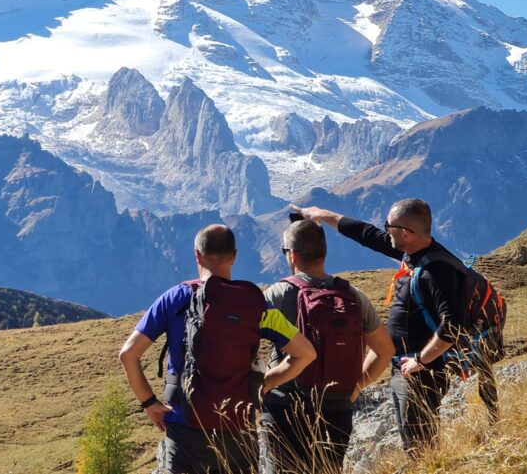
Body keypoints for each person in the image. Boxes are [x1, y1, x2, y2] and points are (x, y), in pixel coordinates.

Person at [119, 224, 317, 474]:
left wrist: (149, 403)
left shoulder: (176, 298)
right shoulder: (256, 305)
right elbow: (306, 353)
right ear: (234, 256)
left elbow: (128, 354)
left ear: (197, 255)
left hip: (184, 429)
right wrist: (264, 384)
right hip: (238, 430)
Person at [293, 199, 466, 455]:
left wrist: (420, 360)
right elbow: (366, 234)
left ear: (406, 233)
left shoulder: (435, 271)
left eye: (389, 226)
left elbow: (453, 325)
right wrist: (321, 215)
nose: (385, 230)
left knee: (419, 444)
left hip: (423, 374)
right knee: (414, 440)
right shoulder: (412, 252)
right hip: (404, 368)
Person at [261, 219, 395, 473]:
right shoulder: (353, 295)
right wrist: (357, 385)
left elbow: (242, 337)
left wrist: (263, 382)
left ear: (293, 255)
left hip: (286, 408)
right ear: (324, 252)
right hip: (337, 408)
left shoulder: (277, 295)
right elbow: (385, 350)